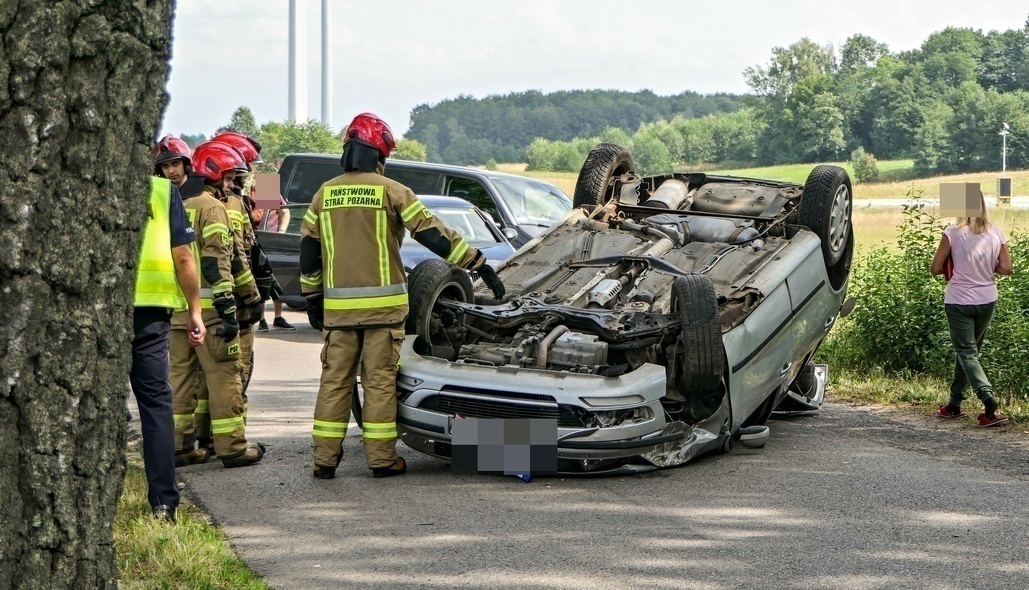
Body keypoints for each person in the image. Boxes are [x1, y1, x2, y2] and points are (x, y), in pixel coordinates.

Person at [300, 113, 506, 479]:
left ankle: (324, 460)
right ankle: (381, 460)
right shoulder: (392, 191)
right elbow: (433, 234)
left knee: (334, 382)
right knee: (379, 382)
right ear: (379, 155)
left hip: (338, 313)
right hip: (383, 311)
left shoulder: (323, 194)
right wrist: (478, 262)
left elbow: (309, 253)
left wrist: (313, 298)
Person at [169, 141, 266, 467]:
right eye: (228, 178)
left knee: (182, 379)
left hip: (177, 311)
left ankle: (180, 447)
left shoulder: (175, 203)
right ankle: (233, 447)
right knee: (226, 376)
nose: (233, 184)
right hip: (210, 311)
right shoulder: (214, 207)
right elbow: (220, 262)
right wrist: (234, 307)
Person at [132, 175, 206, 522]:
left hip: (94, 310)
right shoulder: (162, 191)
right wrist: (195, 310)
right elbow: (184, 256)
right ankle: (163, 503)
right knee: (156, 404)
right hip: (150, 311)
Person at [930, 190, 1013, 427]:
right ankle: (954, 405)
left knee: (966, 353)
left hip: (959, 301)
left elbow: (935, 268)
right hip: (987, 299)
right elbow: (1007, 268)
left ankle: (987, 398)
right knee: (968, 353)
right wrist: (986, 266)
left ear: (961, 206)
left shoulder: (953, 233)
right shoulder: (995, 232)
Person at [253, 194, 295, 331]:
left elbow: (285, 211)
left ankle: (277, 318)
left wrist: (281, 231)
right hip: (258, 242)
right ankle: (262, 320)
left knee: (274, 279)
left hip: (270, 241)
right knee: (262, 280)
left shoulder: (265, 187)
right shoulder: (245, 191)